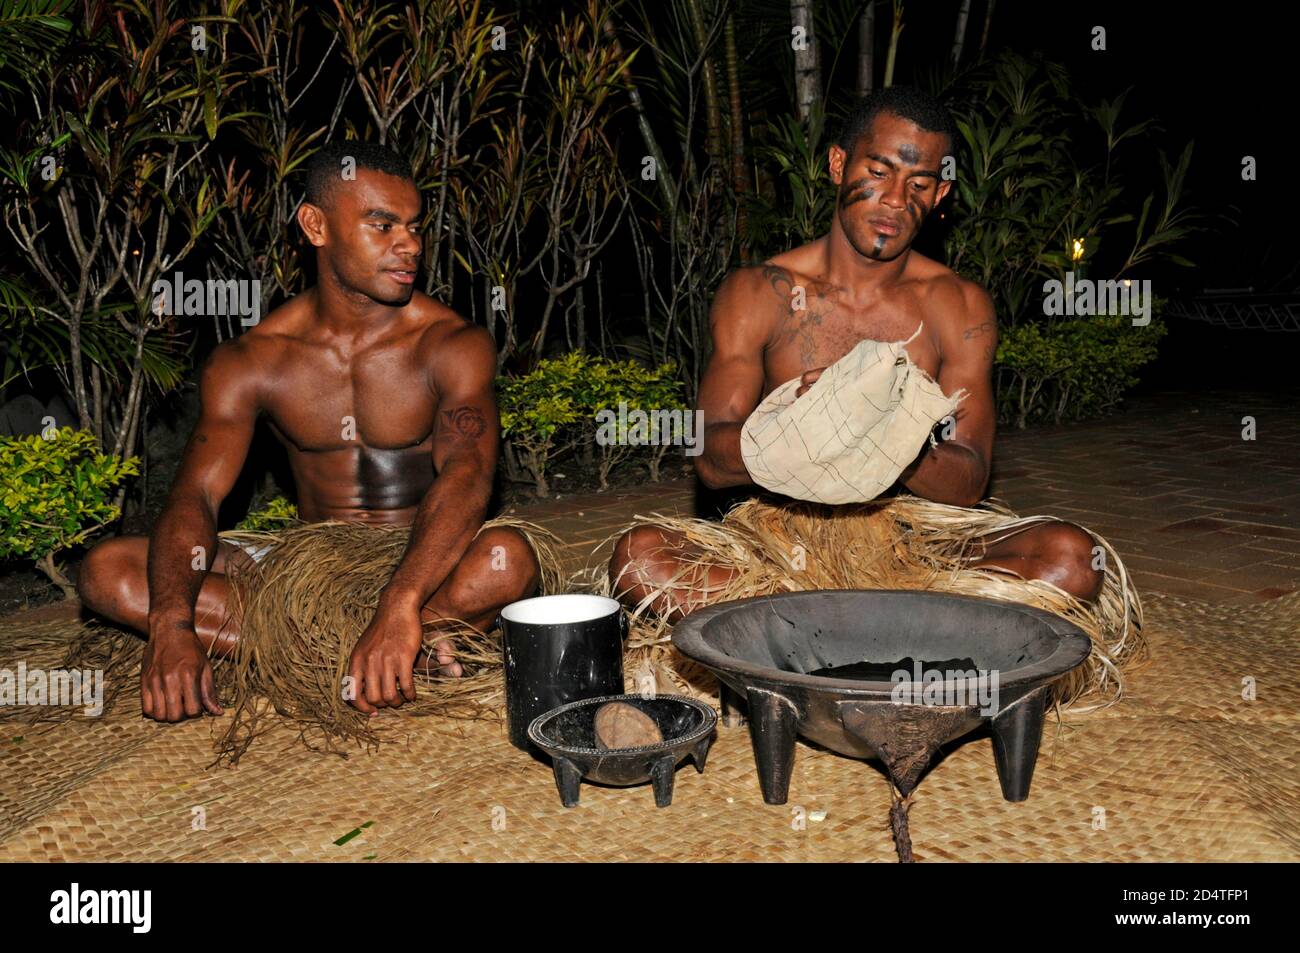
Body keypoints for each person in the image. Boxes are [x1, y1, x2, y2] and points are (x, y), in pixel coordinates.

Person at [77, 142, 540, 723]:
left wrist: (400, 600)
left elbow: (470, 473)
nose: (411, 245)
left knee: (507, 558)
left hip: (426, 565)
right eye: (383, 224)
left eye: (416, 226)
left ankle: (370, 642)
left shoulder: (451, 344)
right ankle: (395, 651)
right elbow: (197, 494)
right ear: (315, 225)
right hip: (308, 573)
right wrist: (170, 628)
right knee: (108, 570)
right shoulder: (254, 359)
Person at [610, 86, 1107, 623]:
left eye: (917, 183)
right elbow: (710, 460)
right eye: (878, 172)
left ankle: (815, 638)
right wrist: (804, 423)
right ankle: (876, 636)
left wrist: (891, 435)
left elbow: (968, 482)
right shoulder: (760, 291)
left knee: (1072, 559)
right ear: (839, 164)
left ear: (939, 196)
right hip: (782, 551)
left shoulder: (958, 305)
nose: (895, 199)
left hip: (912, 551)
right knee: (641, 558)